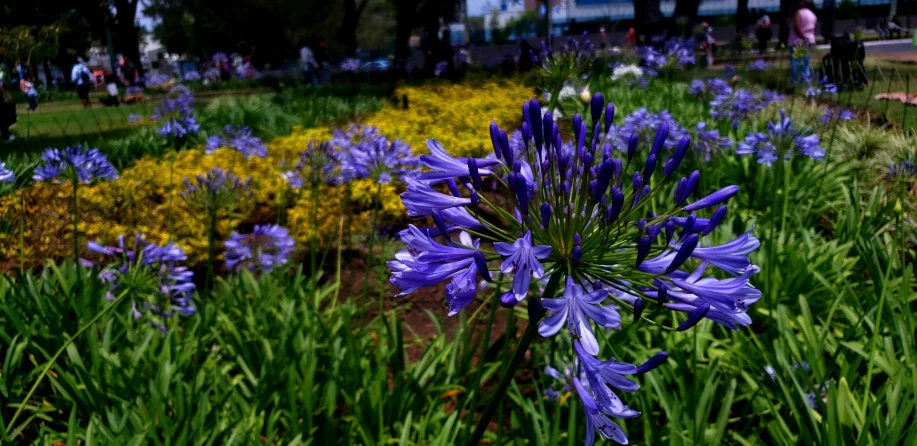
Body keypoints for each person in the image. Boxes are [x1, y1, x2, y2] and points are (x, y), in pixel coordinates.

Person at [789, 1, 816, 85]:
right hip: (810, 40)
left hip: (798, 41)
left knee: (795, 63)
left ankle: (795, 82)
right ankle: (805, 81)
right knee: (805, 62)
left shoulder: (799, 13)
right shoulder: (812, 14)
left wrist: (802, 37)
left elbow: (797, 26)